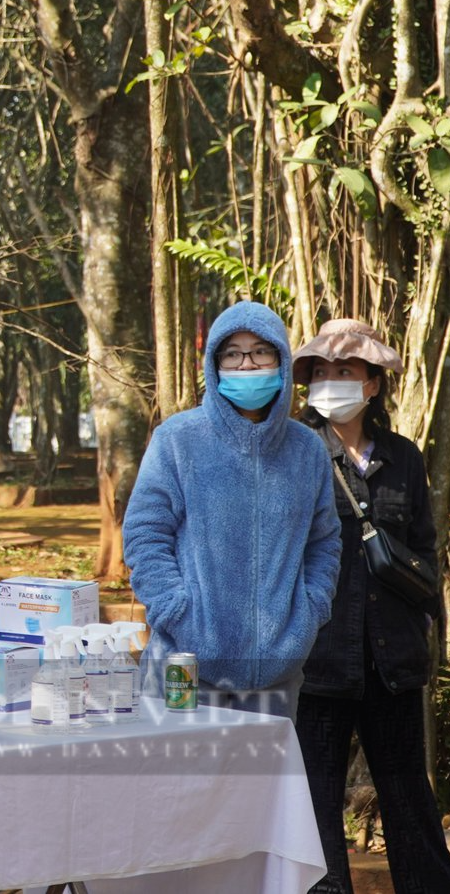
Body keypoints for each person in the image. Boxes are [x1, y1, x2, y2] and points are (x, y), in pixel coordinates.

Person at [288, 319, 450, 894]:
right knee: (313, 794)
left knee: (407, 793)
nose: (330, 381)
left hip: (392, 658)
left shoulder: (403, 457)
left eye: (345, 371)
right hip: (317, 658)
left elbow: (422, 546)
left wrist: (423, 623)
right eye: (320, 371)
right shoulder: (294, 451)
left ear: (372, 385)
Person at [121, 300, 339, 716]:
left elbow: (324, 542)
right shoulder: (178, 440)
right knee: (178, 779)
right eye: (233, 354)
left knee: (263, 781)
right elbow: (145, 535)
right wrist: (178, 612)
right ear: (214, 363)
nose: (247, 365)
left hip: (276, 673)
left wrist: (309, 613)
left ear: (282, 361)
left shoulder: (307, 450)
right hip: (185, 667)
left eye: (260, 352)